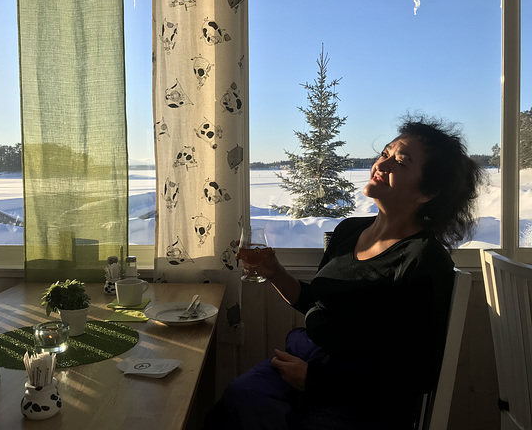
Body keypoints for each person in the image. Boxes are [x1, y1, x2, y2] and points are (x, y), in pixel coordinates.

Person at [204, 115, 485, 430]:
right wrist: (274, 273)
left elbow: (415, 373)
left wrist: (316, 380)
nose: (383, 164)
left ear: (427, 193)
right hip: (315, 361)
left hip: (364, 398)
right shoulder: (349, 230)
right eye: (386, 153)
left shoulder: (425, 260)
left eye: (401, 162)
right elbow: (323, 304)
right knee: (239, 396)